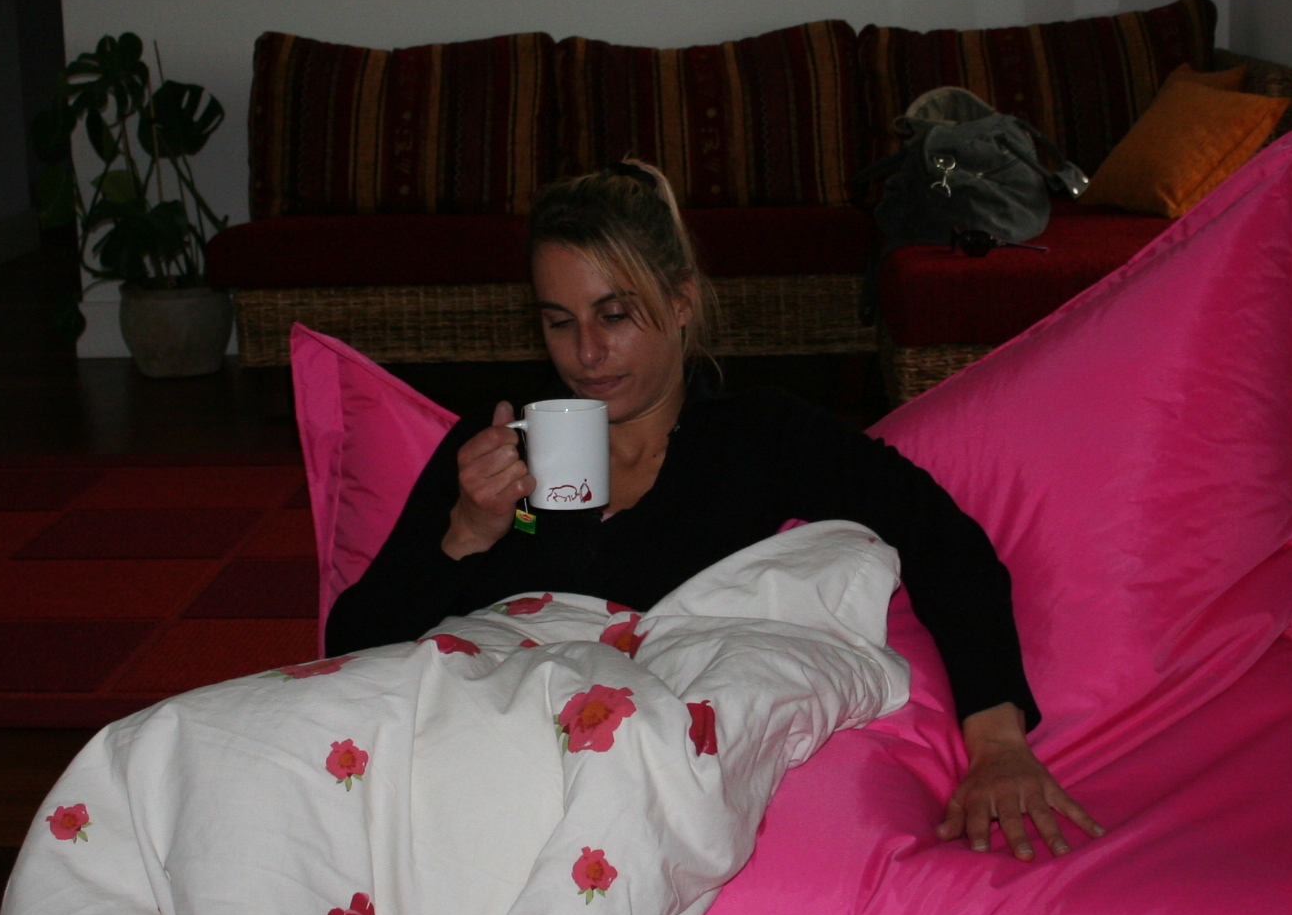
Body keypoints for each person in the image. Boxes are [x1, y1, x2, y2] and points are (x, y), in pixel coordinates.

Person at [327, 161, 1102, 862]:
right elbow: (350, 647)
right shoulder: (499, 444)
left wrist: (998, 744)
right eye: (559, 321)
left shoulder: (758, 437)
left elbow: (942, 541)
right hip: (469, 751)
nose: (586, 353)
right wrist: (465, 534)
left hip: (617, 778)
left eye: (614, 315)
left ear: (682, 302)